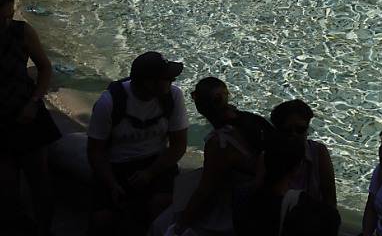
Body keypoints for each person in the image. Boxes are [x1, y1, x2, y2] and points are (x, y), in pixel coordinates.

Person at [153, 76, 272, 236]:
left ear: (198, 105)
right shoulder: (251, 119)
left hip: (240, 205)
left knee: (160, 226)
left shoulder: (219, 143)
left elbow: (205, 191)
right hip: (263, 192)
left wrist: (181, 224)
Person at [86, 51, 189, 235]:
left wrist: (150, 173)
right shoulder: (109, 103)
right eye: (167, 78)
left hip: (157, 162)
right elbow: (95, 151)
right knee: (102, 220)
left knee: (161, 205)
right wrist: (111, 183)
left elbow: (179, 145)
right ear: (149, 82)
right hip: (117, 164)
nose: (172, 82)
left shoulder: (173, 96)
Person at [0, 0, 60, 236]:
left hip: (27, 112)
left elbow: (45, 68)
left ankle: (44, 229)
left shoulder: (22, 32)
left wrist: (34, 101)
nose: (7, 15)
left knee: (40, 181)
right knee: (6, 186)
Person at [233, 134, 340, 236]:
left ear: (263, 160)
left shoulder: (241, 197)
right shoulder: (308, 210)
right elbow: (333, 219)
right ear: (297, 168)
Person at [270, 99, 336, 207]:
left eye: (300, 129)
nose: (294, 134)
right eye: (287, 130)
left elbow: (330, 200)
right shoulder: (269, 155)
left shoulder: (318, 153)